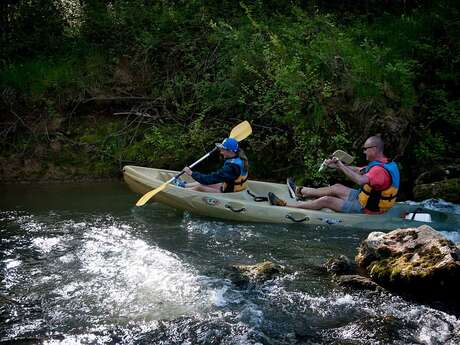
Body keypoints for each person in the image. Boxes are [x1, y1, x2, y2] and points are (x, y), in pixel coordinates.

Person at [268, 136, 400, 214]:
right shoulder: (384, 163)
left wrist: (341, 165)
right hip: (363, 197)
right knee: (336, 187)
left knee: (327, 200)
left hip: (367, 208)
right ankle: (300, 191)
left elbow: (360, 181)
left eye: (366, 149)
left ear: (375, 149)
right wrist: (337, 166)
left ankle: (287, 206)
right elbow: (360, 171)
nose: (364, 152)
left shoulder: (380, 171)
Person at [177, 137, 249, 193]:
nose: (221, 152)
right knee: (200, 183)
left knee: (200, 187)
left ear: (230, 151)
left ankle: (180, 192)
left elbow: (208, 180)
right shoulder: (240, 158)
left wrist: (191, 173)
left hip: (229, 193)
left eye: (223, 150)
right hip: (233, 187)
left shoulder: (231, 167)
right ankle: (183, 186)